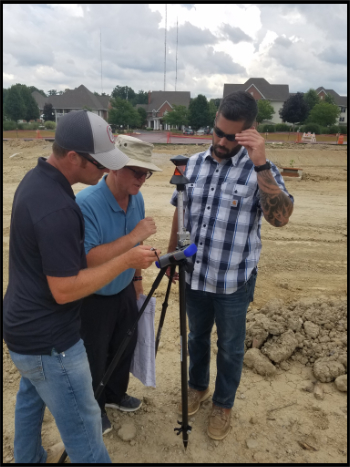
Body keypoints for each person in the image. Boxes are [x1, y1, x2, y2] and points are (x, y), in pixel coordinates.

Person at [3, 110, 160, 464]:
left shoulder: (37, 181)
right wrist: (127, 259)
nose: (106, 170)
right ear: (73, 157)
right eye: (100, 163)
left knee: (31, 398)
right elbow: (65, 289)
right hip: (51, 341)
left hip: (25, 330)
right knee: (85, 428)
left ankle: (28, 458)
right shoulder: (59, 208)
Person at [168, 91, 294, 441]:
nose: (221, 142)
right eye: (217, 132)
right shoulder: (191, 164)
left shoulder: (262, 172)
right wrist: (172, 260)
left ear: (249, 132)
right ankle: (198, 387)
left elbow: (280, 218)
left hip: (234, 281)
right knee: (195, 337)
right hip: (195, 275)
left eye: (231, 136)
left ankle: (223, 404)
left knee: (231, 346)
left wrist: (260, 162)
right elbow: (181, 213)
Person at [75, 135, 162, 434]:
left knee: (124, 344)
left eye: (146, 172)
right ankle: (93, 407)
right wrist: (134, 237)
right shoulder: (87, 203)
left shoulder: (136, 197)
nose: (142, 178)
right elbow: (88, 258)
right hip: (94, 295)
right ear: (113, 167)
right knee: (94, 355)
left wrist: (137, 280)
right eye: (135, 170)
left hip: (124, 288)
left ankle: (113, 394)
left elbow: (132, 251)